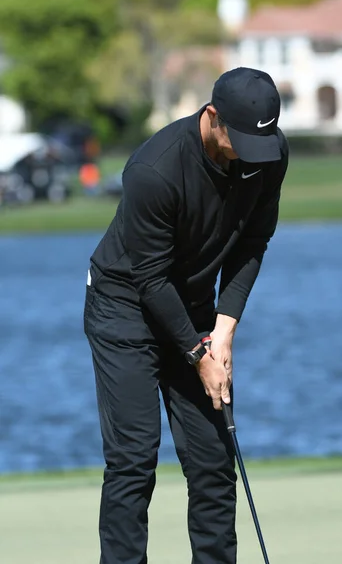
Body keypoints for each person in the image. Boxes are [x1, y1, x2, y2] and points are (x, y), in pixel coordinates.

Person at [83, 67, 289, 564]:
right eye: (238, 140)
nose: (248, 155)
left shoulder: (267, 156)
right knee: (134, 460)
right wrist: (199, 356)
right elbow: (151, 279)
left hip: (195, 307)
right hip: (124, 307)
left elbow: (253, 242)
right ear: (212, 117)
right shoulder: (154, 169)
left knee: (213, 462)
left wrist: (224, 330)